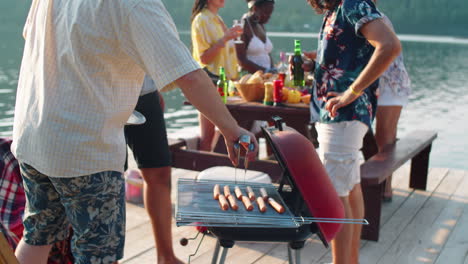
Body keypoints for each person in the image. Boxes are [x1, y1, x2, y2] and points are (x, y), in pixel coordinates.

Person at [12, 0, 258, 263]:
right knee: (97, 254)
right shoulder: (136, 3)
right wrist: (231, 129)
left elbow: (35, 39)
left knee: (37, 235)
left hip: (34, 137)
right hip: (84, 149)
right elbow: (188, 75)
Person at [303, 0, 401, 263]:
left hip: (343, 116)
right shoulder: (337, 9)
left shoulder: (353, 4)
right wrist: (315, 68)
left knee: (336, 193)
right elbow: (347, 60)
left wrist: (352, 92)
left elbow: (389, 46)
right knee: (350, 185)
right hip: (338, 115)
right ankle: (351, 260)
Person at [124, 76, 183, 264]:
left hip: (143, 90)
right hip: (99, 93)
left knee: (160, 170)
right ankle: (109, 259)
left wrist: (154, 88)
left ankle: (166, 257)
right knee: (109, 179)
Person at [372, 0, 411, 202]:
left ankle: (385, 188)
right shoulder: (378, 16)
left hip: (390, 84)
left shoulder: (371, 18)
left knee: (384, 137)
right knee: (388, 137)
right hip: (395, 83)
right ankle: (386, 186)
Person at [191, 0, 243, 151]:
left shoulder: (217, 19)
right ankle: (202, 170)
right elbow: (204, 58)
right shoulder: (201, 19)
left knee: (222, 133)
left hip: (225, 83)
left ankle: (215, 166)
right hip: (209, 82)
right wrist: (225, 39)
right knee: (207, 136)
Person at [235, 0, 275, 73]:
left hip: (266, 77)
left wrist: (273, 69)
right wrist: (265, 71)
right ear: (255, 9)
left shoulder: (260, 25)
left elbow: (266, 53)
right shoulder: (242, 26)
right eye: (266, 13)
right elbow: (240, 59)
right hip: (250, 79)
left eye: (270, 14)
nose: (269, 17)